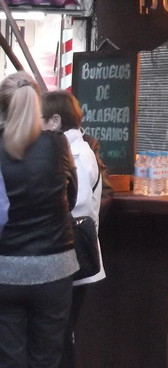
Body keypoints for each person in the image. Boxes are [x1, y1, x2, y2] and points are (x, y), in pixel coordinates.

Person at [0, 72, 78, 368]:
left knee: (9, 359)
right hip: (54, 268)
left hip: (5, 269)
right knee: (47, 358)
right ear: (37, 105)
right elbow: (70, 198)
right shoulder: (58, 144)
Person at [41, 91, 106, 368]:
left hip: (70, 255)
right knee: (60, 334)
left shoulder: (75, 153)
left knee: (60, 336)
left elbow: (73, 202)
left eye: (39, 119)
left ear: (55, 121)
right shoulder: (76, 149)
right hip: (68, 255)